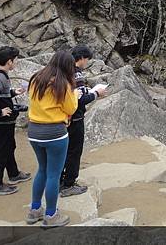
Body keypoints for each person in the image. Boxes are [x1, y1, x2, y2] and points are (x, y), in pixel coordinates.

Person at [26, 51, 78, 228]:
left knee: (42, 169)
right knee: (54, 175)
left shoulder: (36, 78)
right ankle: (51, 215)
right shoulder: (62, 84)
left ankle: (34, 210)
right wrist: (75, 94)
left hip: (34, 131)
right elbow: (71, 108)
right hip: (55, 132)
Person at [0, 47, 31, 196]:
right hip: (0, 122)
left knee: (9, 146)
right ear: (9, 61)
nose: (16, 62)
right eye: (15, 60)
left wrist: (12, 92)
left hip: (3, 122)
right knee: (2, 151)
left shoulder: (0, 76)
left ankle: (14, 174)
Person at [60, 45, 107, 197]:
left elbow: (75, 94)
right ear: (81, 58)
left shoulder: (62, 70)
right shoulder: (77, 74)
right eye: (86, 59)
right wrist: (96, 94)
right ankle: (68, 184)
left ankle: (59, 180)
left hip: (63, 118)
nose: (86, 62)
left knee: (63, 151)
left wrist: (87, 91)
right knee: (74, 151)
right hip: (75, 118)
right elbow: (79, 100)